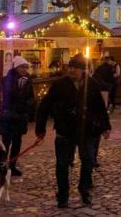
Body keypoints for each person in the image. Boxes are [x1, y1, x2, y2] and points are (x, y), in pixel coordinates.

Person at [35, 55, 111, 208]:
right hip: (65, 130)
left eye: (75, 68)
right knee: (62, 165)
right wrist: (40, 129)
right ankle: (62, 195)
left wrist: (105, 126)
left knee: (88, 161)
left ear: (82, 70)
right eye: (70, 67)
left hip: (87, 130)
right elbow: (45, 106)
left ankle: (84, 190)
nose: (71, 70)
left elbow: (99, 107)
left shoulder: (92, 84)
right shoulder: (59, 85)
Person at [0, 56, 35, 176]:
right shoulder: (7, 79)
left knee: (17, 142)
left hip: (20, 116)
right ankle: (2, 165)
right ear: (16, 67)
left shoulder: (28, 80)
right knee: (6, 142)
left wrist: (27, 106)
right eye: (22, 67)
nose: (25, 69)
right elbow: (8, 95)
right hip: (8, 116)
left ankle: (12, 165)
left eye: (26, 67)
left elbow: (31, 96)